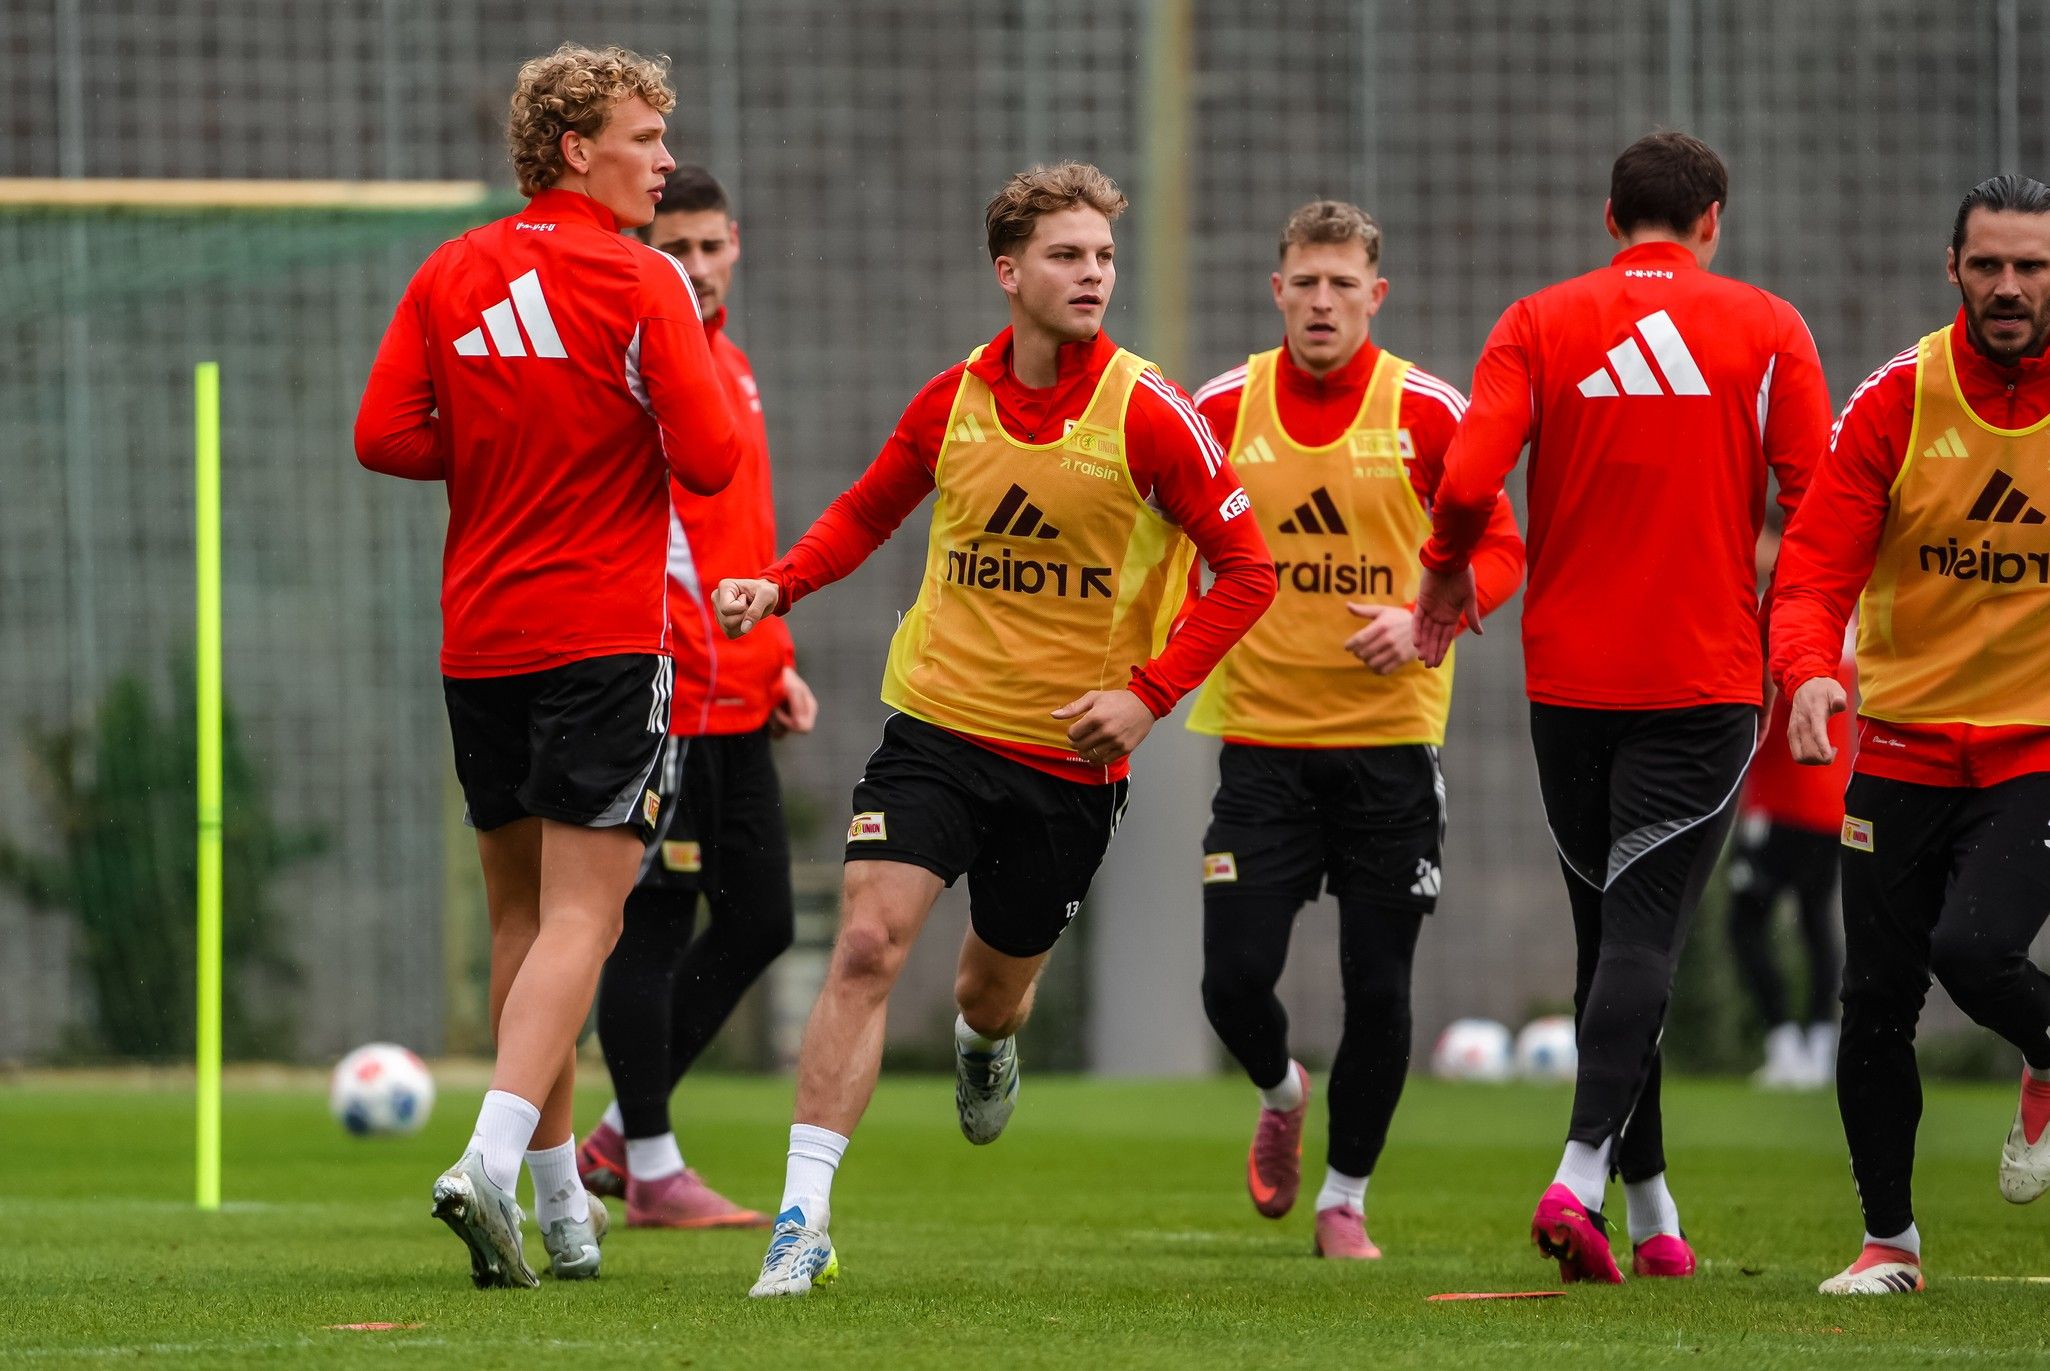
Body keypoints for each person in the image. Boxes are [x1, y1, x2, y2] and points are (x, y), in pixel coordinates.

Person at [714, 162, 1277, 1297]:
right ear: (1008, 271)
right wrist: (780, 585)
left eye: (1105, 258)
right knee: (868, 945)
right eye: (1067, 256)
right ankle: (803, 1219)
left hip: (1068, 759)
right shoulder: (952, 398)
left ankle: (985, 1048)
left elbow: (1247, 572)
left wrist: (1148, 696)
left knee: (990, 990)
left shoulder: (1149, 414)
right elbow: (872, 507)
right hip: (935, 726)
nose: (1092, 276)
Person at [1412, 131, 1831, 1283]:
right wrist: (1800, 643)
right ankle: (1580, 1172)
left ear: (1610, 219)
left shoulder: (1539, 320)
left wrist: (1448, 562)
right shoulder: (1768, 328)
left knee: (1609, 936)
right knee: (1645, 936)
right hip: (1699, 680)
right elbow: (1821, 505)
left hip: (1569, 680)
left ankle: (1651, 1216)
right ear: (1712, 221)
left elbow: (1460, 480)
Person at [354, 44, 740, 1287]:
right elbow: (714, 459)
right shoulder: (642, 282)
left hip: (480, 641)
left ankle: (564, 1208)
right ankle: (487, 1159)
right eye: (645, 136)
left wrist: (504, 446)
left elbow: (384, 437)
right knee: (590, 915)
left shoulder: (449, 270)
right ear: (578, 149)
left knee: (523, 925)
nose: (666, 158)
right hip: (602, 640)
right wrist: (606, 423)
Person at [1187, 200, 1523, 1259]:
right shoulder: (1221, 407)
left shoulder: (1425, 411)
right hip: (1261, 745)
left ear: (1375, 297)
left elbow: (1505, 549)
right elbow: (1159, 542)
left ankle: (1344, 1199)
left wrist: (1433, 615)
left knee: (1377, 986)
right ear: (1275, 290)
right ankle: (1281, 1091)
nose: (1322, 301)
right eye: (1305, 282)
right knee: (1232, 980)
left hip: (1389, 749)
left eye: (1343, 284)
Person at [1771, 173, 2050, 1297]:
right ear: (1951, 271)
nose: (2008, 286)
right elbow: (1814, 564)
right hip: (1899, 744)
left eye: (2029, 266)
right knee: (1873, 1000)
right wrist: (1800, 673)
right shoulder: (1895, 400)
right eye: (1986, 265)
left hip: (2034, 746)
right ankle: (1889, 1244)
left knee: (1974, 950)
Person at [573, 167, 815, 1231]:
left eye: (711, 248)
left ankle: (620, 1140)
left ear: (738, 245)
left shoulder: (734, 366)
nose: (699, 270)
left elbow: (741, 538)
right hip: (667, 696)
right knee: (656, 930)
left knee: (761, 919)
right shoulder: (641, 371)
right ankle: (655, 1166)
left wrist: (782, 655)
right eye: (676, 252)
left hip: (742, 689)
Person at [1728, 512, 1855, 1090]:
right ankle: (1816, 1043)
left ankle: (1790, 1041)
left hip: (1790, 796)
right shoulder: (1836, 610)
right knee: (1813, 920)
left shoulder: (1787, 610)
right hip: (1829, 798)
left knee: (1748, 920)